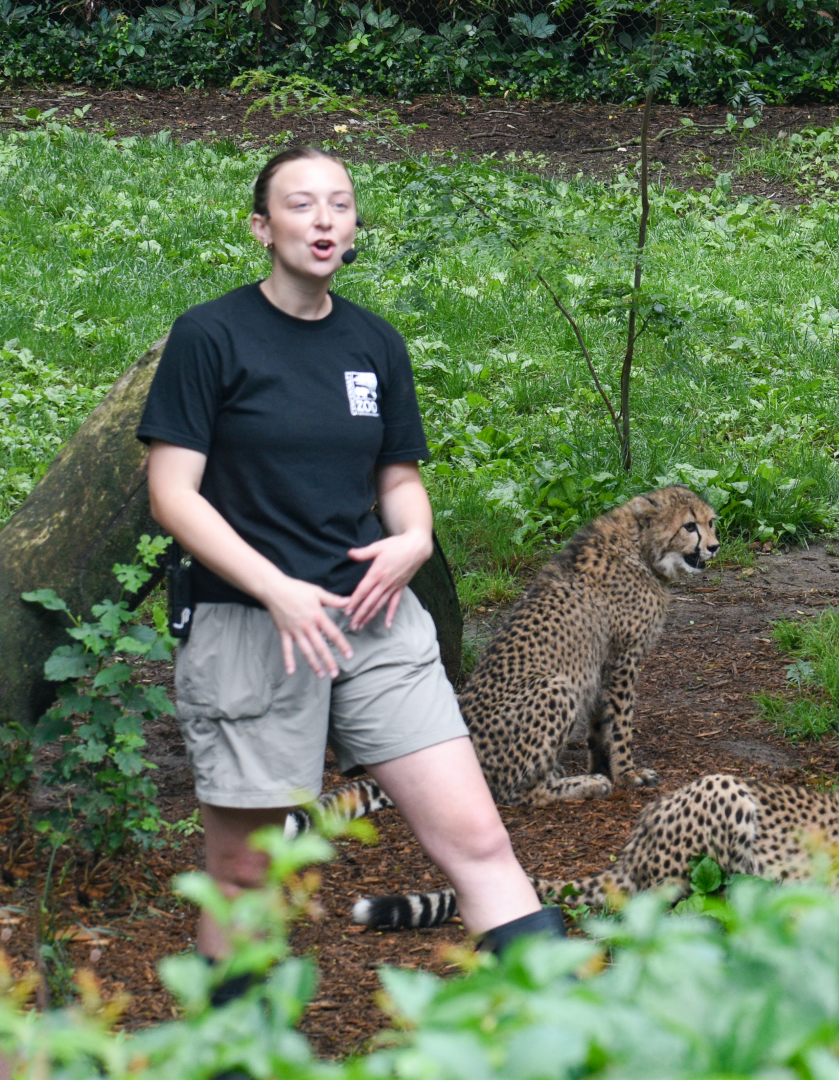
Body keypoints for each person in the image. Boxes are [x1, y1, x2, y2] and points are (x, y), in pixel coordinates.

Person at [138, 146, 563, 991]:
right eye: (301, 205)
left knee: (479, 841)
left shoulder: (373, 342)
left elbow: (398, 478)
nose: (324, 219)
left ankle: (572, 1039)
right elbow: (172, 495)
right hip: (249, 629)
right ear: (262, 227)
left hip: (375, 623)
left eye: (339, 204)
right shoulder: (210, 336)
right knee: (249, 877)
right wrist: (274, 588)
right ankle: (236, 1055)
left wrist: (412, 540)